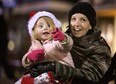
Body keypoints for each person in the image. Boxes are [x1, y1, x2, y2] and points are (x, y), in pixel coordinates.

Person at [28, 2, 112, 84]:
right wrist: (35, 68)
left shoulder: (99, 47)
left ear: (90, 25)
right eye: (73, 19)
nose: (76, 24)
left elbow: (91, 76)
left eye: (83, 20)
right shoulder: (62, 39)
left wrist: (54, 67)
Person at [15, 11, 74, 84]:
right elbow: (26, 63)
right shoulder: (35, 45)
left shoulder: (56, 41)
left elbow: (67, 46)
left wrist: (63, 39)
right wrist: (30, 57)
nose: (45, 28)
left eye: (49, 26)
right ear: (34, 31)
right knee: (23, 80)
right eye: (41, 26)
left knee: (40, 78)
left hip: (61, 74)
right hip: (43, 75)